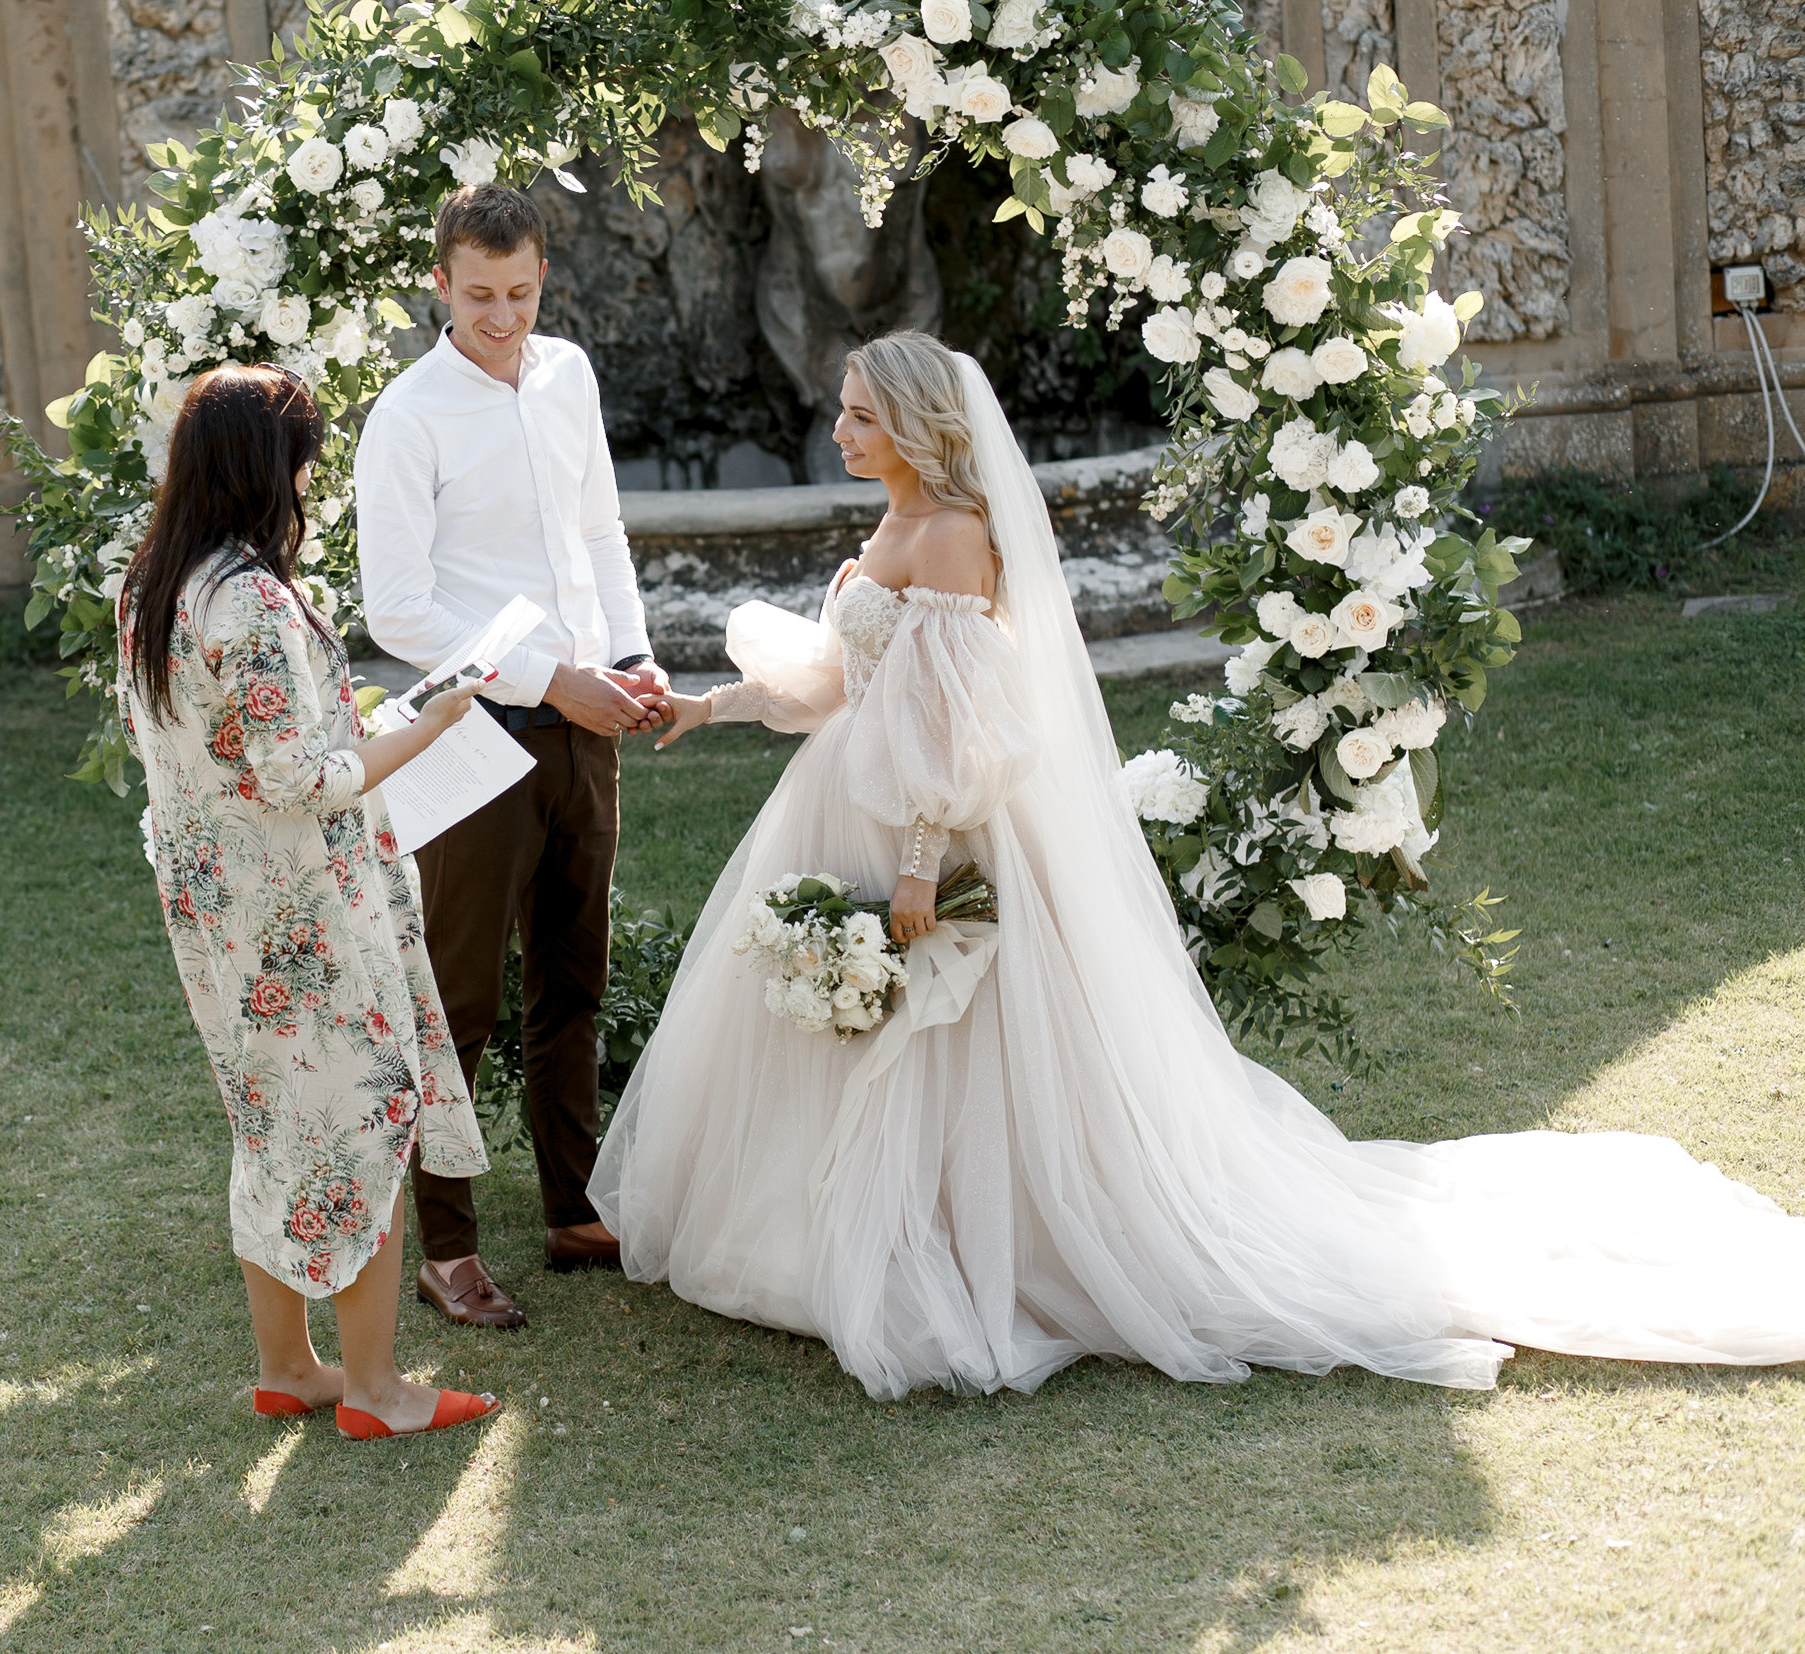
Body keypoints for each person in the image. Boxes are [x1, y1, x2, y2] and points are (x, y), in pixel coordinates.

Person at [596, 330, 1805, 1399]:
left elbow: (954, 729)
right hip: (847, 804)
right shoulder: (894, 523)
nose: (841, 431)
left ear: (916, 423)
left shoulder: (955, 535)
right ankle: (837, 1230)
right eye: (844, 411)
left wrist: (919, 866)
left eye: (862, 414)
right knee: (863, 1030)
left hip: (935, 828)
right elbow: (844, 681)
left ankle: (975, 1244)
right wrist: (706, 708)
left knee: (951, 1039)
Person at [117, 364, 499, 1439]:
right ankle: (376, 1390)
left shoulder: (154, 584)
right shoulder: (247, 598)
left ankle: (288, 1365)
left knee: (271, 1122)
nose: (308, 481)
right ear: (266, 466)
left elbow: (213, 751)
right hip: (302, 909)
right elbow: (297, 778)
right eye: (303, 462)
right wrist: (428, 725)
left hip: (219, 906)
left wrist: (356, 724)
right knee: (363, 1116)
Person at [354, 184, 668, 1330]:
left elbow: (599, 532)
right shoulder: (407, 416)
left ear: (543, 277)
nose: (501, 317)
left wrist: (628, 656)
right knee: (460, 997)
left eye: (521, 293)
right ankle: (444, 1248)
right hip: (474, 735)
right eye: (478, 295)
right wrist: (546, 677)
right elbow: (398, 608)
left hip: (589, 725)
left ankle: (574, 1209)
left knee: (572, 978)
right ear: (439, 283)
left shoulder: (568, 374)